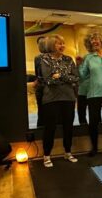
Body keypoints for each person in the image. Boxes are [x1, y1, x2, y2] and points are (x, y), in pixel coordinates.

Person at [39, 35, 79, 167]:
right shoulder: (44, 59)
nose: (62, 46)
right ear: (51, 45)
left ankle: (67, 152)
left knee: (69, 127)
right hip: (51, 99)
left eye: (63, 43)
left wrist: (60, 75)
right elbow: (48, 80)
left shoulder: (68, 59)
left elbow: (76, 78)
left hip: (68, 97)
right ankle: (46, 155)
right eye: (58, 44)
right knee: (50, 128)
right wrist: (65, 77)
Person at [34, 36, 47, 127]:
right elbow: (38, 73)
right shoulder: (38, 58)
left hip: (46, 88)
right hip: (42, 88)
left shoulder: (38, 57)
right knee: (42, 110)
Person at [76, 55, 89, 125]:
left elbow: (81, 76)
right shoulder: (80, 66)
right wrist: (79, 65)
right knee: (81, 113)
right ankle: (84, 127)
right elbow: (79, 76)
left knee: (95, 113)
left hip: (92, 92)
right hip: (82, 91)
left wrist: (79, 65)